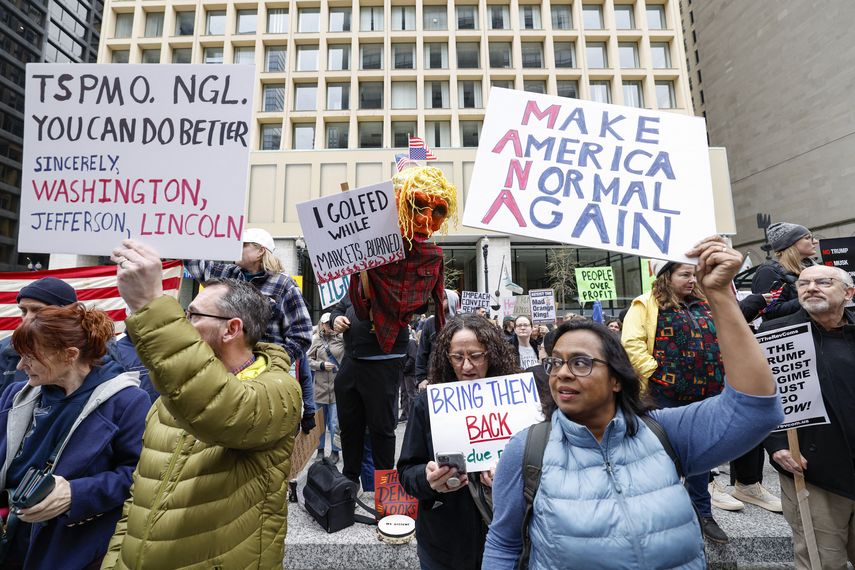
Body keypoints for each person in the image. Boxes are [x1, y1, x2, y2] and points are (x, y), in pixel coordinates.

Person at [483, 237, 783, 569]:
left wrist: (721, 297)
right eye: (555, 363)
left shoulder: (665, 432)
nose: (562, 374)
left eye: (580, 363)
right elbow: (503, 543)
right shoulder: (527, 450)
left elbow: (755, 408)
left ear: (616, 378)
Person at [102, 240, 302, 569]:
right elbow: (138, 502)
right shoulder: (169, 400)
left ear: (232, 329)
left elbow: (222, 409)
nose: (183, 322)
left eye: (192, 315)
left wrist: (152, 304)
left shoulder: (279, 390)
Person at [0, 304, 148, 569]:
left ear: (69, 355)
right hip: (9, 535)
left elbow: (139, 476)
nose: (21, 365)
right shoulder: (15, 394)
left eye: (30, 357)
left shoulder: (127, 401)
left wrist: (76, 494)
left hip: (68, 547)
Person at [621, 258, 736, 541]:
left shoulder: (706, 303)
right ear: (666, 276)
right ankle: (662, 514)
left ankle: (702, 513)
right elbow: (632, 344)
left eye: (694, 275)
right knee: (661, 455)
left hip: (706, 395)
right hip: (663, 396)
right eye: (685, 274)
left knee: (701, 455)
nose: (692, 280)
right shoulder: (645, 304)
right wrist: (656, 373)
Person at [398, 314, 519, 569]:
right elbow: (407, 473)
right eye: (457, 357)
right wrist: (428, 479)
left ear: (492, 354)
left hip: (505, 542)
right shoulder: (426, 404)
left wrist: (511, 480)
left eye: (476, 356)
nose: (467, 366)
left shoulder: (516, 402)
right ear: (446, 357)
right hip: (443, 545)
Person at [761, 265, 855, 568]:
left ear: (848, 293)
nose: (811, 287)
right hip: (813, 471)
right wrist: (776, 444)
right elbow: (757, 395)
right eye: (804, 283)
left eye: (823, 282)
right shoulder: (777, 334)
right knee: (823, 562)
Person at [184, 228, 314, 427]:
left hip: (264, 381)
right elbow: (196, 264)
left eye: (243, 245)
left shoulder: (284, 286)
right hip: (224, 375)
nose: (237, 248)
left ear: (261, 251)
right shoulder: (227, 276)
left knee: (260, 427)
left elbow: (302, 335)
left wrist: (273, 363)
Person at [0, 278, 154, 402]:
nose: (27, 318)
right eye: (23, 311)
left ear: (71, 355)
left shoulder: (122, 396)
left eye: (37, 310)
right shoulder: (12, 391)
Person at [330, 293, 408, 484]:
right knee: (349, 427)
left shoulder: (396, 281)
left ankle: (385, 487)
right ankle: (349, 482)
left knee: (381, 428)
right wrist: (336, 319)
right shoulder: (355, 285)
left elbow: (415, 305)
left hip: (382, 363)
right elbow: (339, 308)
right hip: (351, 361)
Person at [752, 222, 817, 323]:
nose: (815, 241)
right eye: (808, 238)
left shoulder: (814, 267)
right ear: (790, 243)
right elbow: (769, 311)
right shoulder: (768, 271)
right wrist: (810, 299)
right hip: (790, 334)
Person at [307, 312, 344, 463]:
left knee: (335, 423)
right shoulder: (316, 340)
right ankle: (320, 450)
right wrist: (320, 365)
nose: (328, 326)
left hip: (337, 388)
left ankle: (336, 451)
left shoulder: (342, 340)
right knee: (319, 422)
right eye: (325, 323)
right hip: (320, 389)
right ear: (321, 324)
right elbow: (308, 360)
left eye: (330, 323)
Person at [415, 289, 460, 387]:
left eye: (443, 298)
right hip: (434, 379)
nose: (438, 301)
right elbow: (422, 353)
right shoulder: (430, 323)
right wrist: (421, 379)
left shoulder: (462, 323)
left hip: (457, 379)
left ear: (452, 301)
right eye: (437, 298)